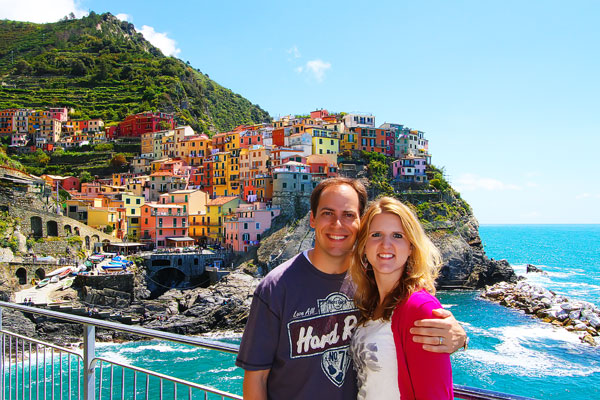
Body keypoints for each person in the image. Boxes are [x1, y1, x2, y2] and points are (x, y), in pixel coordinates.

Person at [236, 178, 467, 400]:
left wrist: (460, 336)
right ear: (312, 219)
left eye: (348, 215)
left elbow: (416, 317)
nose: (338, 224)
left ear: (359, 223)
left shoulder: (368, 282)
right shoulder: (276, 286)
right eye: (328, 213)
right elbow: (256, 379)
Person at [350, 197, 453, 399]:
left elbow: (435, 394)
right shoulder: (367, 302)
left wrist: (463, 339)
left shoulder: (420, 308)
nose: (385, 244)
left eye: (397, 235)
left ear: (411, 246)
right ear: (363, 245)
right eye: (376, 234)